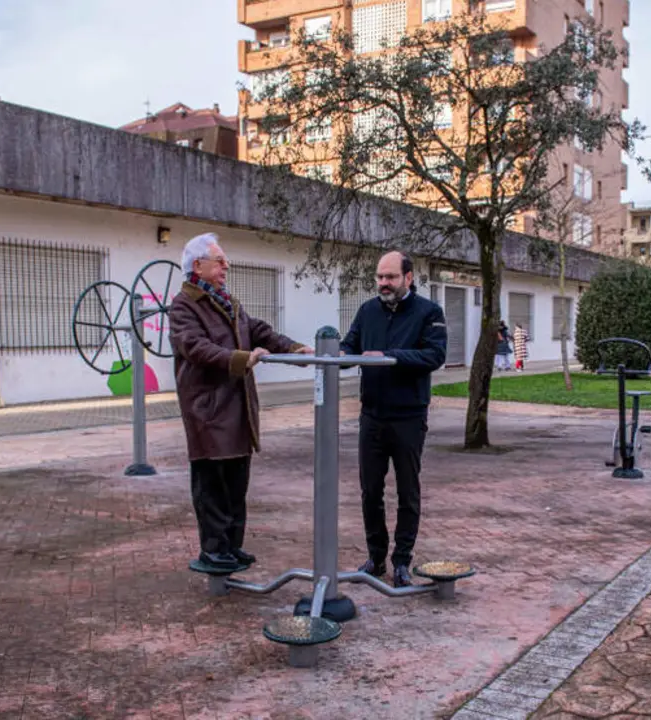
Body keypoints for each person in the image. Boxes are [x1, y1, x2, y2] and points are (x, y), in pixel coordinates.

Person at [169, 233, 314, 573]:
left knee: (236, 482)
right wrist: (241, 359)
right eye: (219, 260)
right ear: (197, 265)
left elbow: (258, 330)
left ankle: (232, 546)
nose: (226, 265)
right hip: (208, 410)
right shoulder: (184, 305)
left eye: (224, 260)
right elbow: (195, 347)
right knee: (212, 484)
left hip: (237, 408)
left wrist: (294, 349)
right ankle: (214, 550)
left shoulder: (226, 301)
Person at [340, 251, 447, 587]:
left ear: (408, 278)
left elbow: (434, 355)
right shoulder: (368, 310)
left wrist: (389, 356)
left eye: (390, 277)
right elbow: (349, 345)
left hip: (408, 417)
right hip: (372, 416)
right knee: (370, 491)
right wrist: (337, 355)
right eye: (380, 277)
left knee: (407, 491)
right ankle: (375, 558)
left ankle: (401, 561)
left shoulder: (429, 313)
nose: (383, 284)